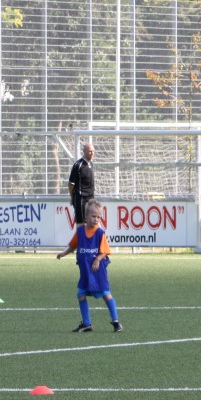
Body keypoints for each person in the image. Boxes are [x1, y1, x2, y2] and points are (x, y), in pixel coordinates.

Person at [56, 199, 122, 333]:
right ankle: (87, 324)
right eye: (93, 216)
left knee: (106, 294)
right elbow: (73, 246)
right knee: (81, 294)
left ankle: (116, 322)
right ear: (86, 216)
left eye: (98, 217)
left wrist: (97, 259)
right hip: (86, 270)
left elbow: (105, 251)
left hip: (97, 271)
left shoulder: (100, 233)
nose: (96, 219)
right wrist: (63, 253)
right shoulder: (80, 231)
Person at [67, 141, 95, 225]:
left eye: (93, 151)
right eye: (90, 151)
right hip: (81, 200)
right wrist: (72, 197)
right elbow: (71, 184)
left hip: (91, 199)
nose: (92, 153)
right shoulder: (78, 165)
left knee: (92, 224)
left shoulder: (91, 164)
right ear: (84, 151)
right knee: (82, 225)